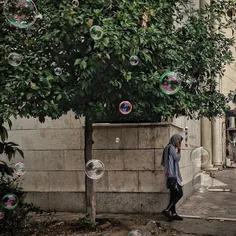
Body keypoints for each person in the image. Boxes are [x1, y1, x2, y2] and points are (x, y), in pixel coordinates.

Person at [161, 134, 184, 221]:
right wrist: (179, 149)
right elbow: (177, 158)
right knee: (179, 194)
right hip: (173, 176)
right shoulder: (172, 148)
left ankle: (173, 214)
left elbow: (163, 162)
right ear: (175, 140)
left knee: (173, 195)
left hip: (169, 175)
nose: (179, 143)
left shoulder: (167, 147)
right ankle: (167, 210)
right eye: (179, 141)